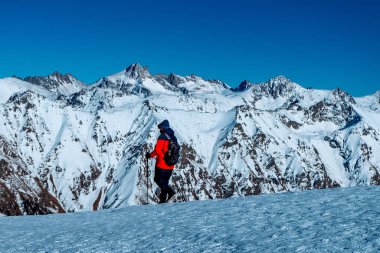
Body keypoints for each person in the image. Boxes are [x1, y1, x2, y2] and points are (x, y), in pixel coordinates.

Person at [146, 120, 176, 203]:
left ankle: (170, 192)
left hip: (161, 164)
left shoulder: (162, 137)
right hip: (170, 164)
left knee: (157, 179)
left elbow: (157, 151)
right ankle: (162, 200)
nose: (159, 130)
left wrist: (149, 155)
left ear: (163, 128)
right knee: (165, 182)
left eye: (160, 128)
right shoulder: (173, 137)